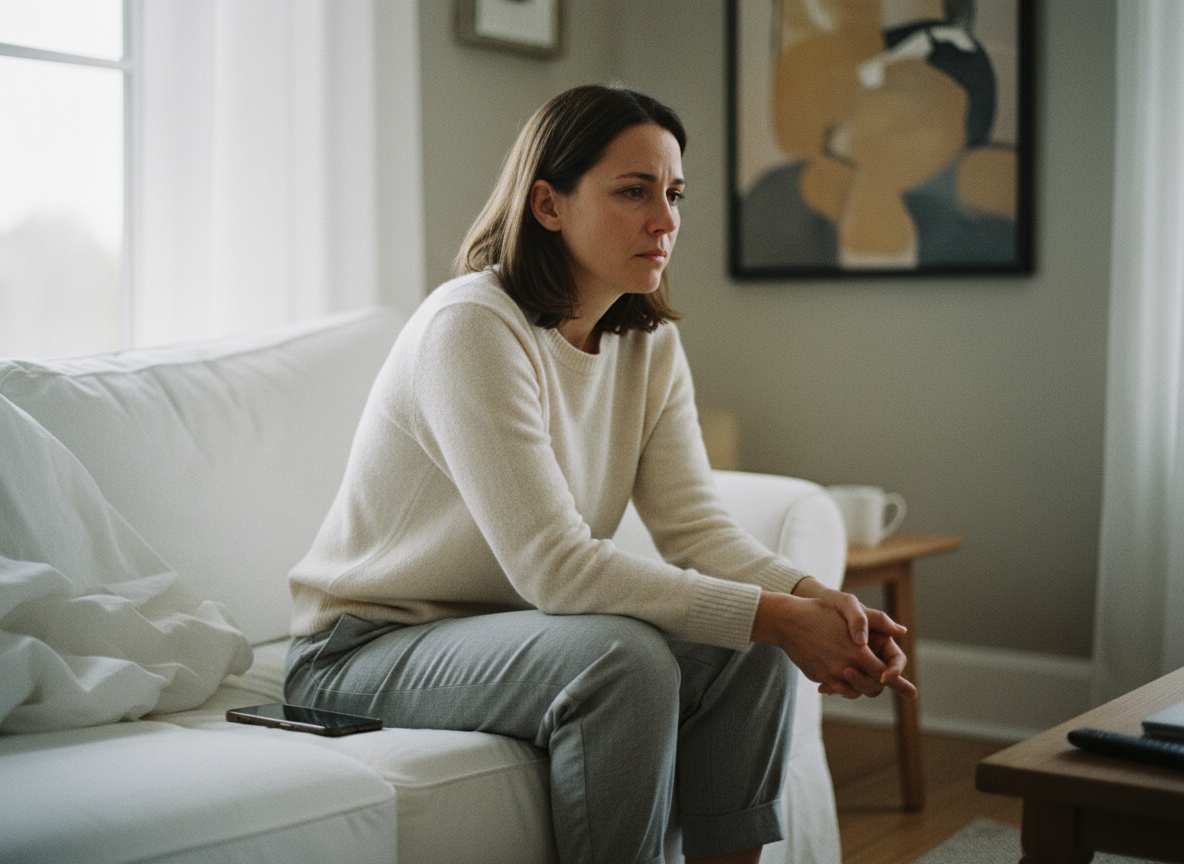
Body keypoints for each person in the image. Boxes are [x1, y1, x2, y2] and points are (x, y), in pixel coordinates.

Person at [285, 83, 916, 864]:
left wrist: (816, 600)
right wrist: (778, 615)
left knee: (749, 648)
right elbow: (556, 568)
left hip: (507, 632)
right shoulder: (472, 325)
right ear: (548, 204)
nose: (666, 220)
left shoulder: (647, 344)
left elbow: (696, 529)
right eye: (634, 191)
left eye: (674, 194)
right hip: (362, 647)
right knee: (627, 660)